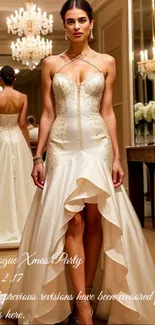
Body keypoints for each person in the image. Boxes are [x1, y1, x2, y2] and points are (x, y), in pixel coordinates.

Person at [1, 1, 155, 324]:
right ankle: (82, 306)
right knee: (73, 221)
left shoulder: (107, 62)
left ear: (91, 22)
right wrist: (37, 155)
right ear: (63, 25)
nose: (76, 26)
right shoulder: (51, 64)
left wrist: (116, 155)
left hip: (97, 146)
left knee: (96, 218)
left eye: (82, 20)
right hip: (61, 146)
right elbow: (47, 112)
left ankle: (84, 288)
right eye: (70, 21)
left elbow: (108, 111)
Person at [0, 66, 36, 246]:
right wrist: (28, 146)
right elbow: (22, 124)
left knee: (3, 178)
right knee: (20, 180)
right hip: (16, 138)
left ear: (0, 80)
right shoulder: (22, 97)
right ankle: (25, 222)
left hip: (1, 139)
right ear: (14, 79)